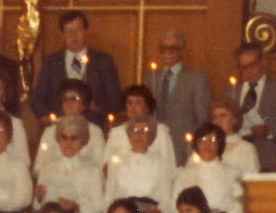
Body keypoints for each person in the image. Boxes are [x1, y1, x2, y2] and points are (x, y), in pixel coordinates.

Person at [29, 10, 122, 121]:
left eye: (78, 30)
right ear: (62, 34)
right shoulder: (51, 62)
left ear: (86, 31)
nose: (74, 35)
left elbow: (116, 98)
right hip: (59, 125)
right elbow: (38, 97)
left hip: (92, 124)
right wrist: (47, 117)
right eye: (69, 31)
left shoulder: (103, 61)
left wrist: (98, 107)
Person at [33, 113, 105, 213]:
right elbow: (36, 208)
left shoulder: (92, 170)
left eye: (74, 138)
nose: (68, 143)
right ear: (58, 139)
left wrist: (76, 206)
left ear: (82, 141)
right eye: (64, 137)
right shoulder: (47, 168)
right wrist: (39, 198)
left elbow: (99, 208)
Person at [225, 42, 276, 172]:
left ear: (261, 63)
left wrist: (268, 130)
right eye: (243, 67)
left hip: (267, 156)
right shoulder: (230, 92)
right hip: (236, 157)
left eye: (252, 65)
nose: (248, 71)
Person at [105, 116, 175, 213]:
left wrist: (158, 211)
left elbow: (166, 196)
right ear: (129, 135)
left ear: (152, 136)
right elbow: (109, 193)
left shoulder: (160, 163)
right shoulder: (118, 162)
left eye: (144, 131)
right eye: (135, 131)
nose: (139, 135)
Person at [146, 31, 211, 164]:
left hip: (183, 146)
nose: (168, 52)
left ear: (181, 51)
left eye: (173, 48)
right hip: (153, 145)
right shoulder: (149, 78)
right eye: (164, 48)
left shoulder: (196, 79)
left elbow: (202, 117)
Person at [174, 123, 242, 213]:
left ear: (220, 144)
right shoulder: (184, 173)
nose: (207, 145)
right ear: (196, 144)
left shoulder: (233, 173)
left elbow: (240, 204)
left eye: (212, 140)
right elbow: (175, 203)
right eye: (202, 140)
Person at [34, 80, 105, 172]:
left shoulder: (95, 132)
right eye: (65, 99)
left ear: (84, 105)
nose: (69, 102)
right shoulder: (50, 131)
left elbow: (100, 167)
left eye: (74, 99)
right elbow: (39, 167)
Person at [105, 84, 177, 172]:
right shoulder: (116, 132)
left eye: (138, 103)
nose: (133, 107)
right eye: (129, 103)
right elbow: (105, 164)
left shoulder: (161, 132)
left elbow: (169, 166)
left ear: (147, 107)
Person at [209, 99, 261, 178]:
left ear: (234, 120)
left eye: (223, 116)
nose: (218, 121)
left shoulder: (245, 148)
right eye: (214, 117)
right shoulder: (205, 145)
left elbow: (251, 180)